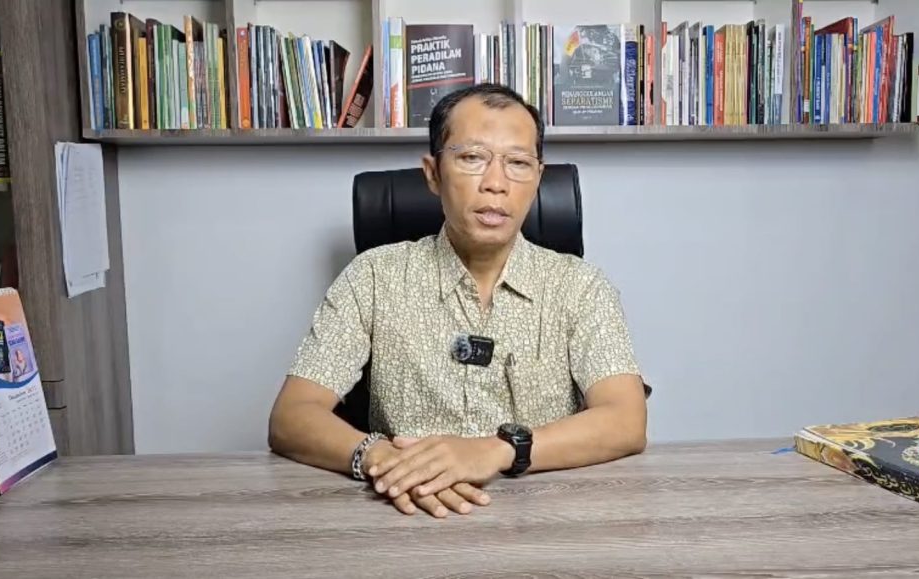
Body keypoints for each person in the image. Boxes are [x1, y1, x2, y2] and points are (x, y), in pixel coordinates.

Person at [268, 83, 648, 518]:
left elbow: (626, 420)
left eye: (518, 163)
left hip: (543, 518)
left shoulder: (580, 285)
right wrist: (386, 460)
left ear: (538, 178)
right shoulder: (372, 276)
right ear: (433, 173)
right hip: (403, 511)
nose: (496, 184)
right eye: (472, 158)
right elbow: (291, 416)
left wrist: (498, 451)